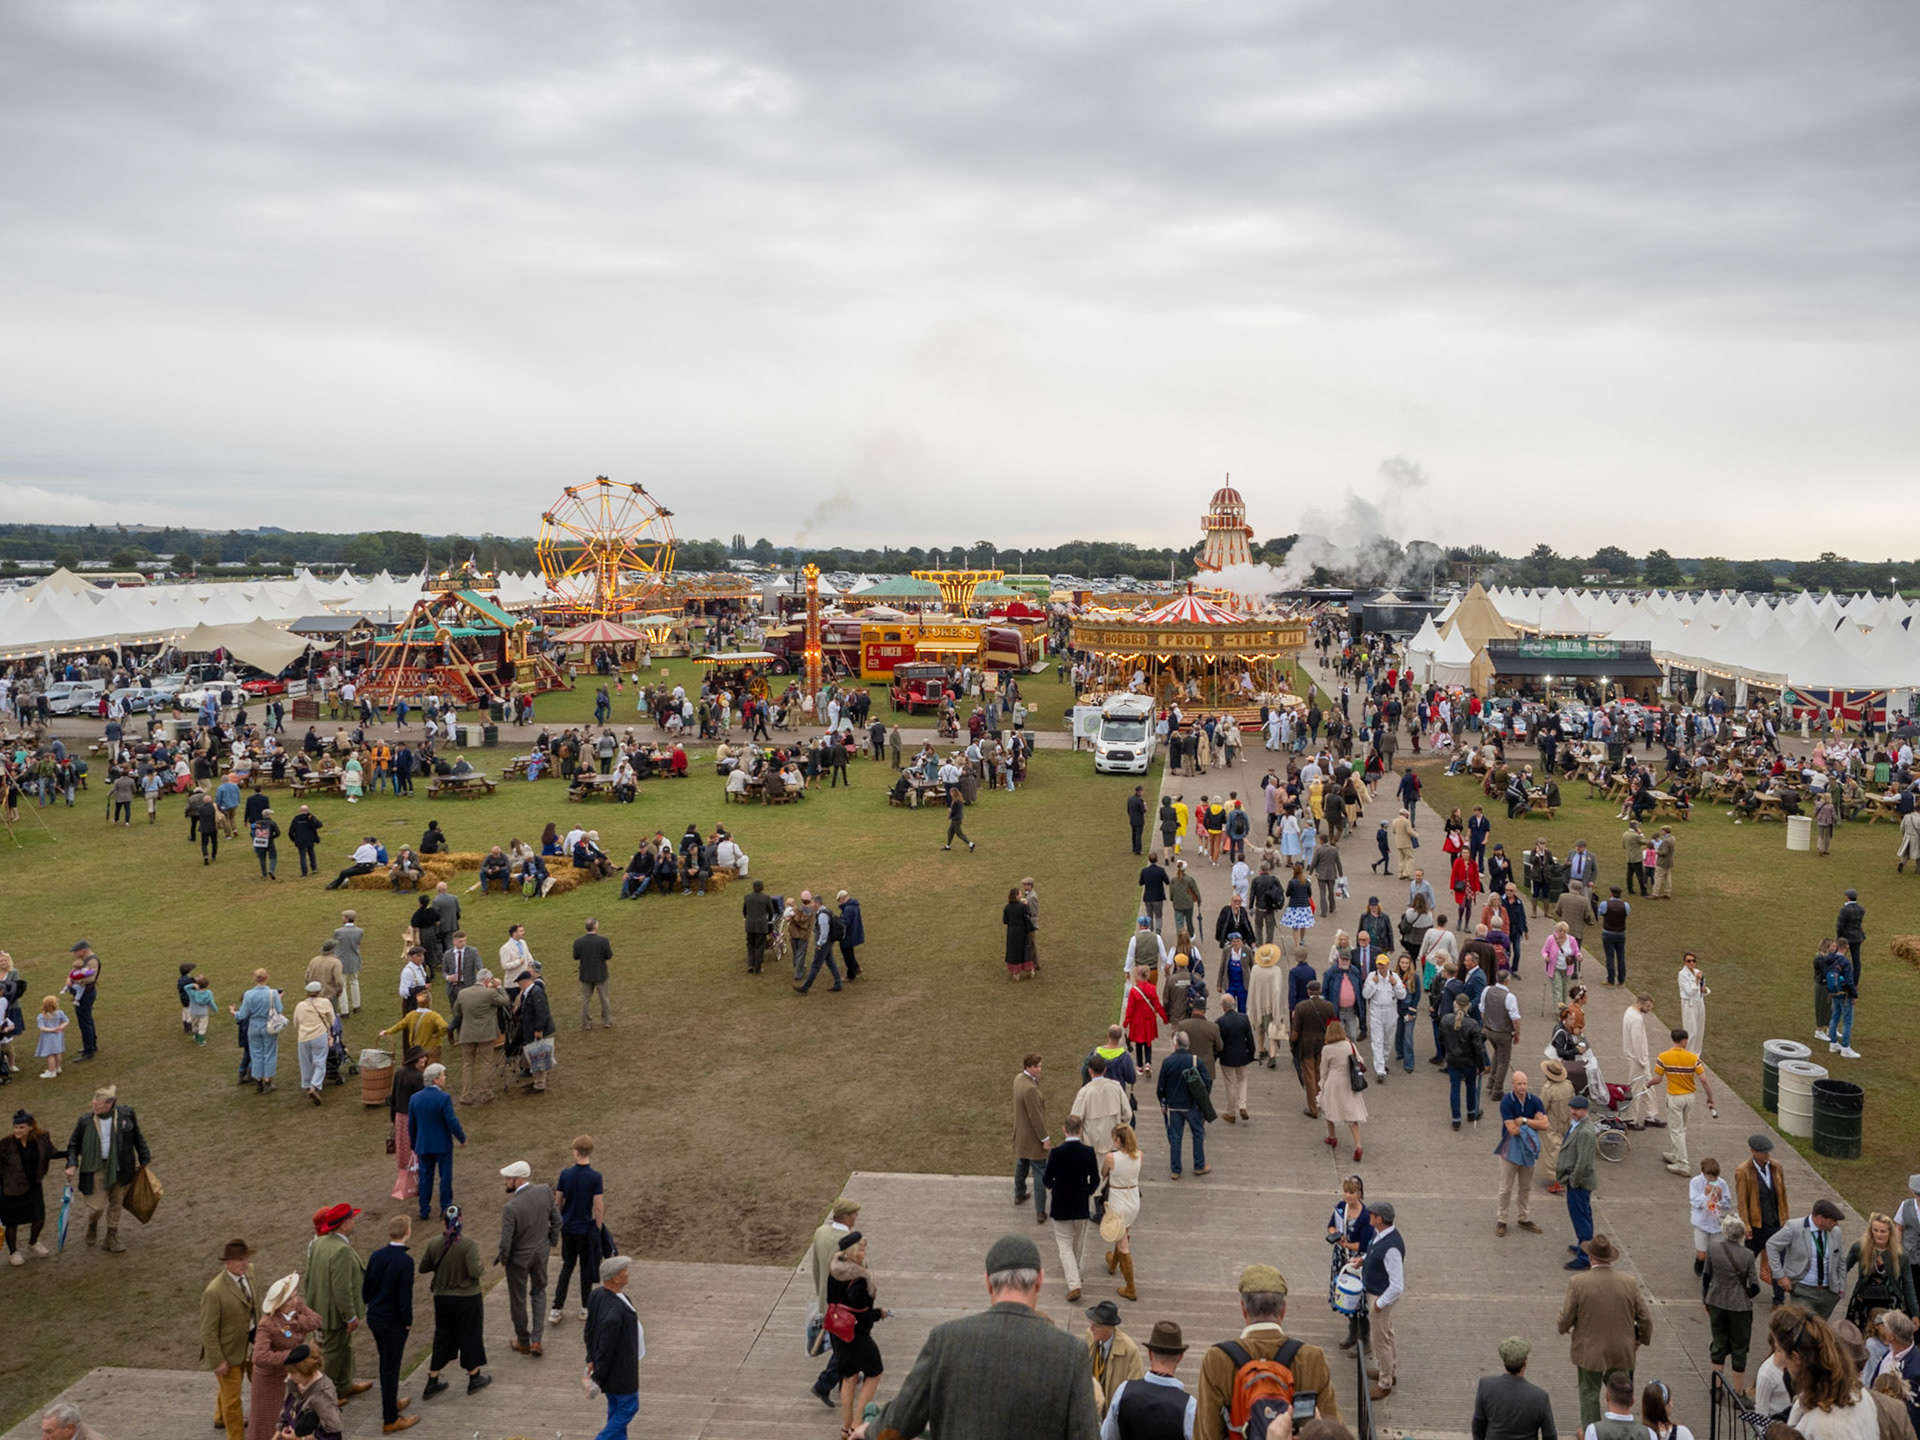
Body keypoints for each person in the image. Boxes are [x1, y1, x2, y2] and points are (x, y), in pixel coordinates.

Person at [851, 1233, 1100, 1440]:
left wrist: (868, 1431)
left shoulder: (946, 1340)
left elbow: (899, 1423)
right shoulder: (1071, 1352)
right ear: (1039, 1281)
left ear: (988, 1283)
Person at [1193, 1263, 1341, 1438]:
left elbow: (1206, 1431)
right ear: (1283, 1309)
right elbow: (1332, 1429)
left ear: (1243, 1308)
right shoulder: (1311, 1357)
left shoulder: (1218, 1359)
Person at [1557, 1234, 1655, 1428]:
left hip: (1589, 1351)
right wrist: (1641, 1339)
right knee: (1621, 1392)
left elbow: (1566, 1316)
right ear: (1610, 1258)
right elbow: (1645, 1317)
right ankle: (1620, 1428)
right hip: (1622, 1350)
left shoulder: (1578, 1282)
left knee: (1589, 1393)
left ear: (1591, 1258)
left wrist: (1563, 1328)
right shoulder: (1629, 1282)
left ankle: (1592, 1431)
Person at [1770, 1304, 1880, 1439]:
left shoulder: (1828, 1427)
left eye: (1779, 1350)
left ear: (1795, 1357)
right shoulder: (1854, 1391)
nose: (1778, 1360)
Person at [63, 1084, 150, 1254]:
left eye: (97, 1102)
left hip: (121, 1166)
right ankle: (93, 1224)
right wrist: (72, 1164)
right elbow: (73, 1145)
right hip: (96, 1167)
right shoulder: (85, 1121)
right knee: (97, 1207)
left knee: (116, 1202)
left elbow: (136, 1136)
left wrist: (144, 1157)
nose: (93, 1103)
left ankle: (111, 1237)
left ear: (109, 1104)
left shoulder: (126, 1114)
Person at [418, 1205, 491, 1399]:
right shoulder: (468, 1245)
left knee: (442, 1336)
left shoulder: (434, 1244)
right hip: (467, 1298)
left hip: (442, 1298)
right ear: (461, 1220)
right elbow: (475, 1271)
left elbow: (424, 1267)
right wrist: (481, 1266)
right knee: (471, 1335)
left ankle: (433, 1379)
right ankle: (474, 1376)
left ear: (443, 1221)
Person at [303, 1201, 372, 1401]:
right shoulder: (341, 1250)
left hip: (321, 1308)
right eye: (352, 1219)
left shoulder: (319, 1243)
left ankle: (344, 1385)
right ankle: (326, 1395)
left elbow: (309, 1278)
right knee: (333, 1354)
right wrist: (350, 1316)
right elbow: (342, 1289)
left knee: (345, 1348)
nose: (355, 1221)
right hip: (335, 1313)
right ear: (343, 1225)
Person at [827, 1230, 890, 1436]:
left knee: (849, 1377)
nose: (865, 1252)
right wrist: (879, 1313)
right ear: (853, 1252)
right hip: (857, 1337)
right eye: (862, 1248)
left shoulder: (834, 1270)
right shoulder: (860, 1280)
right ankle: (856, 1425)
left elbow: (831, 1301)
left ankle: (846, 1428)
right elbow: (860, 1316)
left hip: (838, 1334)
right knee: (874, 1373)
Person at [361, 1213, 420, 1433]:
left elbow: (365, 1288)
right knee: (391, 1367)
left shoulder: (377, 1255)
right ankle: (390, 1418)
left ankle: (390, 1401)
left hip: (375, 1317)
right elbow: (404, 1296)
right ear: (408, 1232)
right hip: (393, 1321)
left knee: (386, 1362)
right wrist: (407, 1321)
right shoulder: (405, 1261)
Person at [200, 1238, 262, 1440]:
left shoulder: (249, 1272)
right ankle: (235, 1436)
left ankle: (219, 1417)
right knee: (233, 1400)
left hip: (251, 1343)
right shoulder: (214, 1292)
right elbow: (208, 1331)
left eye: (245, 1258)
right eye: (239, 1260)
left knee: (229, 1390)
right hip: (228, 1351)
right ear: (227, 1263)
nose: (245, 1263)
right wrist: (217, 1361)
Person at [250, 1273, 322, 1440]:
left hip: (291, 1376)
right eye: (290, 1298)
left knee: (291, 1419)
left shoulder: (297, 1308)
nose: (296, 1301)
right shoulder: (267, 1325)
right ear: (279, 1304)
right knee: (268, 1422)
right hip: (269, 1380)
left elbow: (316, 1320)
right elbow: (259, 1357)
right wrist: (292, 1355)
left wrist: (298, 1323)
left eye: (296, 1295)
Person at [1043, 1114, 1103, 1302]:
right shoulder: (1088, 1152)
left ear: (1064, 1129)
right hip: (1080, 1204)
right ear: (1080, 1130)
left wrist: (1055, 1188)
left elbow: (1046, 1179)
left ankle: (1074, 1283)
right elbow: (1095, 1179)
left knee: (1065, 1246)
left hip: (1061, 1204)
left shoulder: (1056, 1153)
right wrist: (1087, 1192)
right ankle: (1073, 1272)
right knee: (1075, 1242)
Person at [1101, 1320, 1194, 1440]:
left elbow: (1106, 1436)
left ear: (1150, 1354)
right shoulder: (1189, 1406)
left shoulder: (1123, 1392)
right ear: (1180, 1358)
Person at [585, 1254, 645, 1439]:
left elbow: (589, 1330)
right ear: (615, 1278)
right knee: (629, 1407)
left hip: (616, 1371)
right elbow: (606, 1346)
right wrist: (597, 1376)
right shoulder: (614, 1313)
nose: (628, 1273)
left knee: (615, 1409)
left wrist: (590, 1358)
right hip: (621, 1372)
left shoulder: (598, 1295)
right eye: (624, 1270)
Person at [1703, 1216, 1760, 1405]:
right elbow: (1754, 1287)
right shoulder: (1748, 1256)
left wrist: (1706, 1298)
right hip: (1740, 1307)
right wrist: (1745, 1296)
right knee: (1739, 1347)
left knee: (1718, 1342)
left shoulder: (1713, 1248)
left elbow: (1706, 1275)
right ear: (1742, 1234)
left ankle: (1717, 1389)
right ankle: (1738, 1393)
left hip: (1716, 1301)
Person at [553, 1136, 606, 1326]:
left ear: (576, 1152)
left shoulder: (565, 1174)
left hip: (568, 1228)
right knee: (585, 1268)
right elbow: (598, 1207)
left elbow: (558, 1202)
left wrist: (557, 1223)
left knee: (567, 1267)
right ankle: (585, 1307)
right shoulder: (595, 1177)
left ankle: (556, 1308)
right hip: (585, 1229)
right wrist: (598, 1228)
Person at [1767, 1200, 1849, 1321]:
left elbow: (1840, 1259)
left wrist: (1841, 1287)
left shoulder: (1835, 1232)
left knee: (1820, 1332)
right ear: (1820, 1218)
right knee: (1801, 1329)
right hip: (1803, 1291)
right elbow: (1772, 1245)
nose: (1836, 1224)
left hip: (1829, 1293)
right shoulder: (1794, 1227)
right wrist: (1780, 1275)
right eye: (1833, 1220)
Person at [407, 1063, 466, 1221]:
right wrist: (461, 1137)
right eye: (442, 1075)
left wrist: (414, 1144)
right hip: (442, 1144)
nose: (444, 1078)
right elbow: (451, 1121)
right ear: (435, 1080)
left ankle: (424, 1209)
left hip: (423, 1145)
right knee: (445, 1176)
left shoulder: (414, 1099)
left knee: (425, 1177)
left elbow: (411, 1124)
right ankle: (445, 1207)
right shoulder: (443, 1098)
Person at [1737, 1135, 1791, 1305]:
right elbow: (1742, 1201)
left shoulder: (1776, 1167)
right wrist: (1746, 1225)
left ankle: (1779, 1300)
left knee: (1778, 1262)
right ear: (1753, 1151)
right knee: (1746, 1260)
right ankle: (1738, 1290)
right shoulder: (1743, 1171)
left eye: (1768, 1151)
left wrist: (1785, 1221)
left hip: (1776, 1224)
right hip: (1756, 1225)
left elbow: (1783, 1196)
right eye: (1763, 1152)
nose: (1767, 1155)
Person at [1470, 1336, 1558, 1440]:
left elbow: (1478, 1426)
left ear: (1504, 1362)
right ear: (1525, 1362)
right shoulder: (1540, 1397)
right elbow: (1550, 1435)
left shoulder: (1486, 1386)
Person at [1654, 1028, 1715, 1178]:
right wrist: (1710, 1097)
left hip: (1674, 1097)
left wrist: (1648, 1083)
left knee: (1676, 1130)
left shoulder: (1664, 1057)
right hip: (1689, 1097)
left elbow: (1658, 1079)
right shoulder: (1693, 1058)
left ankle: (1682, 1163)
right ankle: (1675, 1154)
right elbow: (1704, 1080)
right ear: (1683, 1041)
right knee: (1683, 1129)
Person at [1496, 1070, 1549, 1238]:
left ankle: (1523, 1217)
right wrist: (1534, 1124)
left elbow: (1546, 1125)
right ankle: (1502, 1219)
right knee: (1506, 1188)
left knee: (1525, 1187)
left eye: (1525, 1083)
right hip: (1510, 1149)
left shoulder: (1535, 1101)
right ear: (1512, 1084)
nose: (1522, 1087)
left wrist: (1524, 1121)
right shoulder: (1507, 1102)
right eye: (1519, 1083)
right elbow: (1511, 1130)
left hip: (1528, 1150)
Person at [1361, 1202, 1405, 1401]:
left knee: (1380, 1341)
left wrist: (1379, 1303)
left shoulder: (1392, 1247)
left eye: (1372, 1214)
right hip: (1376, 1294)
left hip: (1380, 1297)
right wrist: (1363, 1259)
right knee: (1387, 1334)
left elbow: (1397, 1285)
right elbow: (1373, 1252)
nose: (1369, 1216)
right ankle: (1389, 1371)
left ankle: (1385, 1382)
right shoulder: (1380, 1235)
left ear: (1380, 1219)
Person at [1845, 1211, 1918, 1329]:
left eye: (1883, 1231)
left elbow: (1908, 1284)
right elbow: (1843, 1268)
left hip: (1890, 1303)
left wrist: (1915, 1313)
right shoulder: (1859, 1248)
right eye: (1875, 1230)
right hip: (1863, 1301)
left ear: (1890, 1233)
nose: (1879, 1234)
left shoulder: (1901, 1255)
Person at [1, 1110, 55, 1264]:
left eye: (22, 1127)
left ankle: (33, 1242)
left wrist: (70, 1158)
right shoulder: (5, 1145)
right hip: (11, 1189)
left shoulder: (42, 1139)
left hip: (34, 1186)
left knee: (39, 1219)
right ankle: (13, 1252)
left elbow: (51, 1153)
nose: (18, 1131)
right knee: (12, 1223)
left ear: (31, 1127)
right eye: (16, 1127)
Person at [450, 972, 510, 1106]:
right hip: (485, 1034)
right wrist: (499, 986)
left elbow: (456, 1013)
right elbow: (505, 1001)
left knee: (467, 1064)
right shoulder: (489, 994)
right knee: (485, 1063)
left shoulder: (463, 993)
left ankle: (466, 1095)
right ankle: (486, 1093)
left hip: (467, 1034)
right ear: (488, 980)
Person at [1157, 1033, 1211, 1178]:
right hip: (1192, 1105)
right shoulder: (1196, 1061)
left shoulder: (1167, 1061)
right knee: (1198, 1133)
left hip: (1174, 1106)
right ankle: (1199, 1165)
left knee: (1175, 1137)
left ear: (1176, 1044)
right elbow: (1206, 1083)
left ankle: (1175, 1169)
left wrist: (1163, 1102)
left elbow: (1161, 1086)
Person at [1085, 1299, 1146, 1423]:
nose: (1091, 1328)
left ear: (1110, 1327)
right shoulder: (1090, 1334)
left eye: (1096, 1325)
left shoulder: (1129, 1350)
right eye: (1091, 1323)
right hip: (1090, 1410)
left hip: (1113, 1417)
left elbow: (1137, 1390)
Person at [1103, 1123, 1144, 1303]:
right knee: (1123, 1233)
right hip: (1133, 1199)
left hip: (1118, 1200)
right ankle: (1113, 1264)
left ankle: (1131, 1287)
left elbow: (1103, 1173)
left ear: (1118, 1140)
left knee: (1122, 1243)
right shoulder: (1139, 1156)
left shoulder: (1111, 1158)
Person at [1557, 1094, 1600, 1268]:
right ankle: (1584, 1245)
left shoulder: (1585, 1132)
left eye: (1577, 1109)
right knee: (1582, 1217)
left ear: (1586, 1111)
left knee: (1582, 1219)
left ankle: (1584, 1257)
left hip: (1579, 1184)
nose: (1573, 1112)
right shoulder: (1577, 1125)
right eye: (1572, 1108)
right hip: (1576, 1182)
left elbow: (1584, 1163)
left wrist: (1573, 1181)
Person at [1318, 1017, 1367, 1162]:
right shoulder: (1348, 1044)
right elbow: (1360, 1060)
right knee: (1352, 1115)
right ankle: (1358, 1146)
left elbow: (1323, 1070)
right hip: (1348, 1082)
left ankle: (1332, 1137)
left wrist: (1321, 1083)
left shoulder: (1327, 1049)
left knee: (1329, 1109)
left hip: (1334, 1082)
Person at [1014, 1052, 1052, 1220]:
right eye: (1036, 1067)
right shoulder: (1030, 1089)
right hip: (1032, 1138)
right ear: (1028, 1067)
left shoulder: (1018, 1080)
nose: (1039, 1069)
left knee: (1022, 1163)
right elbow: (1035, 1117)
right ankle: (1040, 1211)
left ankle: (1019, 1193)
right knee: (1039, 1171)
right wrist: (1044, 1138)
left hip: (1021, 1134)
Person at [1443, 992, 1486, 1131]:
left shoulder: (1446, 1020)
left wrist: (1447, 1052)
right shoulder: (1472, 1024)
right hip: (1469, 1061)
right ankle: (1471, 1112)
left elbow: (1441, 1039)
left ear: (1455, 1004)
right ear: (1468, 1006)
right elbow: (1478, 1048)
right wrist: (1481, 1066)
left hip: (1453, 1059)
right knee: (1471, 1086)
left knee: (1454, 1088)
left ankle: (1456, 1119)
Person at [1621, 994, 1664, 1132]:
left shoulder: (1630, 1011)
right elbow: (1637, 1042)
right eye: (1647, 1006)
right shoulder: (1637, 1019)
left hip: (1637, 1058)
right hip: (1638, 1059)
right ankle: (1630, 1117)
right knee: (1636, 1089)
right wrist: (1642, 1061)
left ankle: (1650, 1115)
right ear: (1640, 1003)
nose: (1649, 1009)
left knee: (1648, 1086)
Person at [1215, 995, 1255, 1123]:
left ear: (1223, 1006)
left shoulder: (1220, 1022)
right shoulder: (1243, 1018)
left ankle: (1231, 1112)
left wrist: (1216, 1056)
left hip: (1227, 1056)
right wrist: (1251, 1054)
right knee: (1242, 1079)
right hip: (1241, 1055)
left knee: (1230, 1084)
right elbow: (1249, 1038)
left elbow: (1218, 1043)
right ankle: (1242, 1105)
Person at [1690, 1159, 1735, 1271]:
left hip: (1716, 1224)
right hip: (1701, 1222)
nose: (1713, 1180)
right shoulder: (1695, 1182)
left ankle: (1710, 1274)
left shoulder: (1722, 1183)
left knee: (1716, 1253)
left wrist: (1720, 1197)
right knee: (1702, 1252)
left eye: (1715, 1177)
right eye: (1710, 1177)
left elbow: (1727, 1205)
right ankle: (1699, 1263)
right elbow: (1695, 1202)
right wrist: (1705, 1194)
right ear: (1703, 1173)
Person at [574, 918, 614, 1030]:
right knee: (604, 998)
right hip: (600, 973)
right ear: (595, 926)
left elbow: (575, 956)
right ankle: (607, 1021)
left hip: (585, 974)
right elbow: (608, 955)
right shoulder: (603, 941)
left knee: (585, 999)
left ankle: (586, 1023)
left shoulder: (578, 942)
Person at [1678, 954, 1709, 1055]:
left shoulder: (1698, 972)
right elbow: (1689, 991)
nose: (1691, 963)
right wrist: (1696, 980)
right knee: (1691, 1031)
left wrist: (1704, 990)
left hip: (1699, 1002)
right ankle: (1688, 1054)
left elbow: (1702, 988)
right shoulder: (1682, 974)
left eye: (1693, 961)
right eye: (1689, 961)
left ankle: (1696, 1056)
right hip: (1689, 1003)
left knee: (1700, 1031)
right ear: (1685, 962)